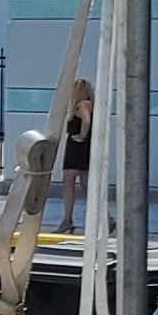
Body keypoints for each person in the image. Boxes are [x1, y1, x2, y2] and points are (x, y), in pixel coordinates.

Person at [55, 79, 92, 234]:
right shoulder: (91, 103)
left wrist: (82, 135)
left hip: (76, 147)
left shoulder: (82, 104)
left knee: (69, 182)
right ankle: (105, 217)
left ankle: (67, 219)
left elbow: (86, 121)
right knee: (86, 183)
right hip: (83, 148)